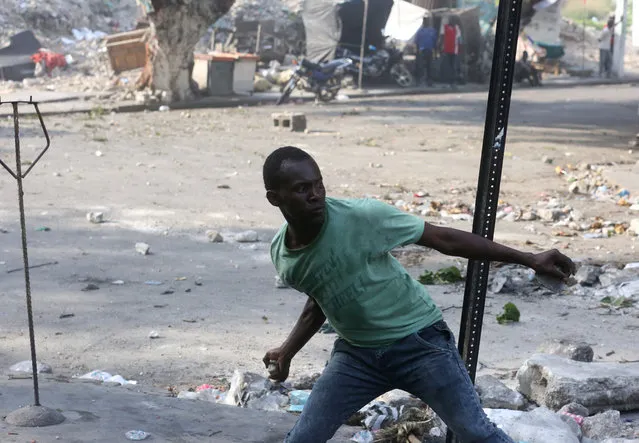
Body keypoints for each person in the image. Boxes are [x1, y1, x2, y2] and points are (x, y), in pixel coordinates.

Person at [261, 146, 576, 443]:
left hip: (420, 345)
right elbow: (321, 298)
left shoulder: (362, 216)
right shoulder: (285, 257)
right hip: (357, 357)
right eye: (303, 189)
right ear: (275, 198)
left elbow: (445, 239)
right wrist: (287, 350)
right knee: (304, 437)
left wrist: (529, 258)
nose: (316, 195)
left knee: (476, 432)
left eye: (319, 184)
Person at [413, 14, 437, 86]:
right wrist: (417, 51)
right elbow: (416, 42)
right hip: (421, 51)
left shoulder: (432, 31)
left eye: (427, 20)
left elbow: (434, 41)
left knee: (429, 66)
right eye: (425, 20)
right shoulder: (420, 31)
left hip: (429, 50)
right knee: (420, 66)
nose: (426, 22)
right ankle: (419, 81)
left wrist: (435, 51)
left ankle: (429, 81)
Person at [440, 15, 463, 89]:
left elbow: (459, 39)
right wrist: (440, 47)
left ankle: (453, 82)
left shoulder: (457, 28)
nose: (452, 21)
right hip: (446, 49)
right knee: (448, 66)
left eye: (453, 20)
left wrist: (460, 48)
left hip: (454, 50)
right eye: (451, 20)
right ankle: (448, 82)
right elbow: (442, 37)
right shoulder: (445, 27)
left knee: (453, 66)